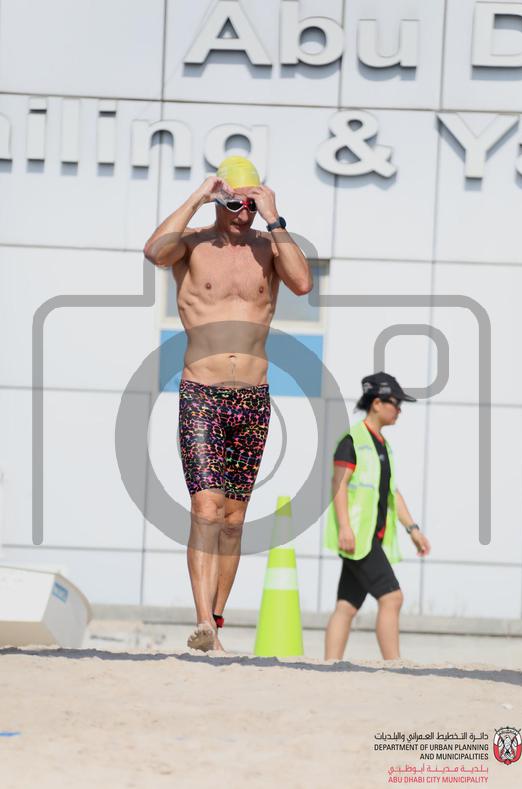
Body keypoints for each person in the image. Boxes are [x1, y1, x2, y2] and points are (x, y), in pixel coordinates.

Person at [143, 156, 312, 652]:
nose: (244, 214)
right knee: (205, 509)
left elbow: (302, 283)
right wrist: (199, 196)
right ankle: (202, 621)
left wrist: (275, 218)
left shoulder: (269, 247)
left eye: (251, 204)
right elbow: (154, 252)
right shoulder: (193, 244)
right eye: (235, 203)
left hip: (252, 398)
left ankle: (215, 621)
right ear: (220, 200)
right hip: (202, 392)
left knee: (234, 521)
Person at [324, 372, 431, 661]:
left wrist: (413, 529)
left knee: (347, 605)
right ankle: (394, 665)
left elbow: (392, 492)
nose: (399, 410)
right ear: (377, 403)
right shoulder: (353, 441)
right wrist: (345, 527)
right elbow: (338, 485)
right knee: (392, 597)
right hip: (359, 538)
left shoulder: (381, 444)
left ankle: (330, 665)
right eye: (396, 403)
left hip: (370, 536)